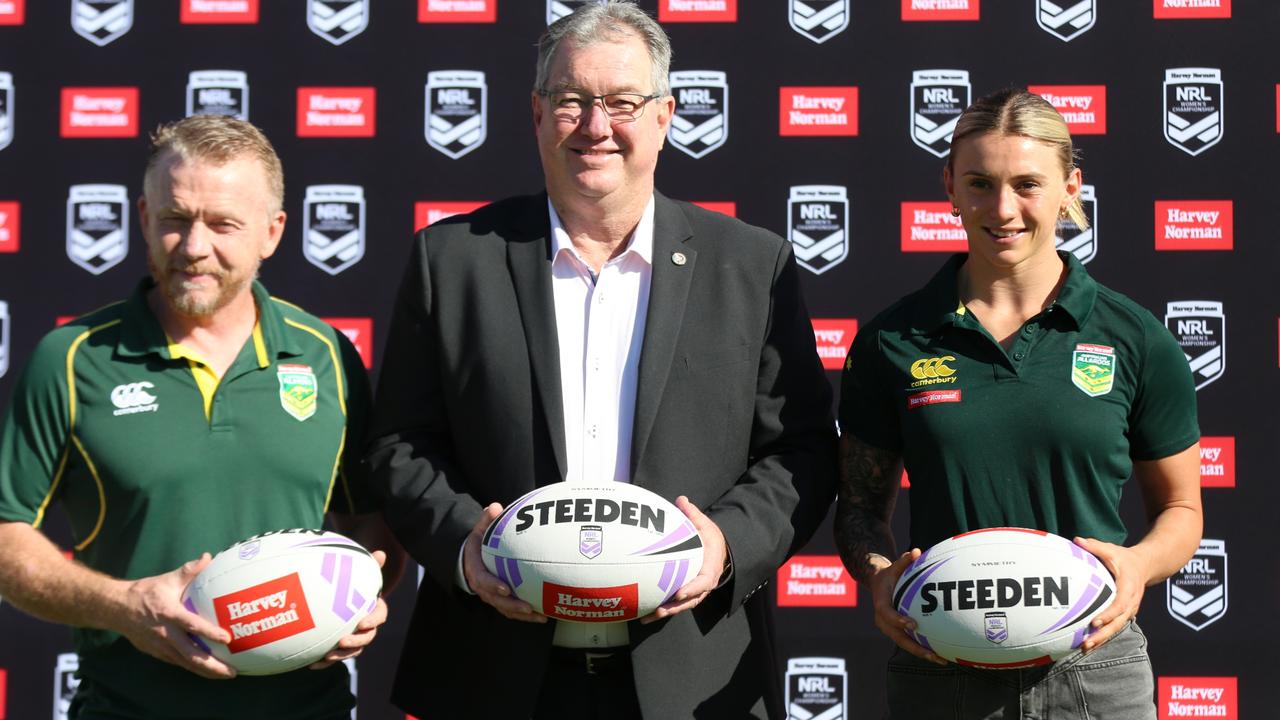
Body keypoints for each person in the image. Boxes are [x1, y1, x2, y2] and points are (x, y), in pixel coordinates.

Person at [365, 2, 837, 718]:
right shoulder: (452, 259)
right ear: (535, 112)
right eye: (571, 101)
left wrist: (723, 546)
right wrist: (467, 549)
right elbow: (400, 445)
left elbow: (800, 451)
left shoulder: (751, 264)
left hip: (690, 680)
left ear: (665, 115)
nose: (595, 127)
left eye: (621, 102)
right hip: (492, 673)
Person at [0, 114, 404, 720]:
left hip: (305, 710)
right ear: (142, 217)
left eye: (223, 225)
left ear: (272, 232)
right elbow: (6, 537)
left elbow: (371, 523)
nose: (194, 247)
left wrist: (360, 595)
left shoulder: (324, 356)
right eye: (174, 220)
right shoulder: (73, 357)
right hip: (127, 709)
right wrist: (124, 605)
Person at [834, 88, 1203, 719]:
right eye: (979, 183)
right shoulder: (892, 341)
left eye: (1027, 184)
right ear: (949, 185)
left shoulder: (1134, 337)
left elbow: (1181, 507)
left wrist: (1139, 566)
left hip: (1094, 665)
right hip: (939, 661)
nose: (1002, 209)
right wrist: (877, 576)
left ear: (1070, 187)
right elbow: (861, 508)